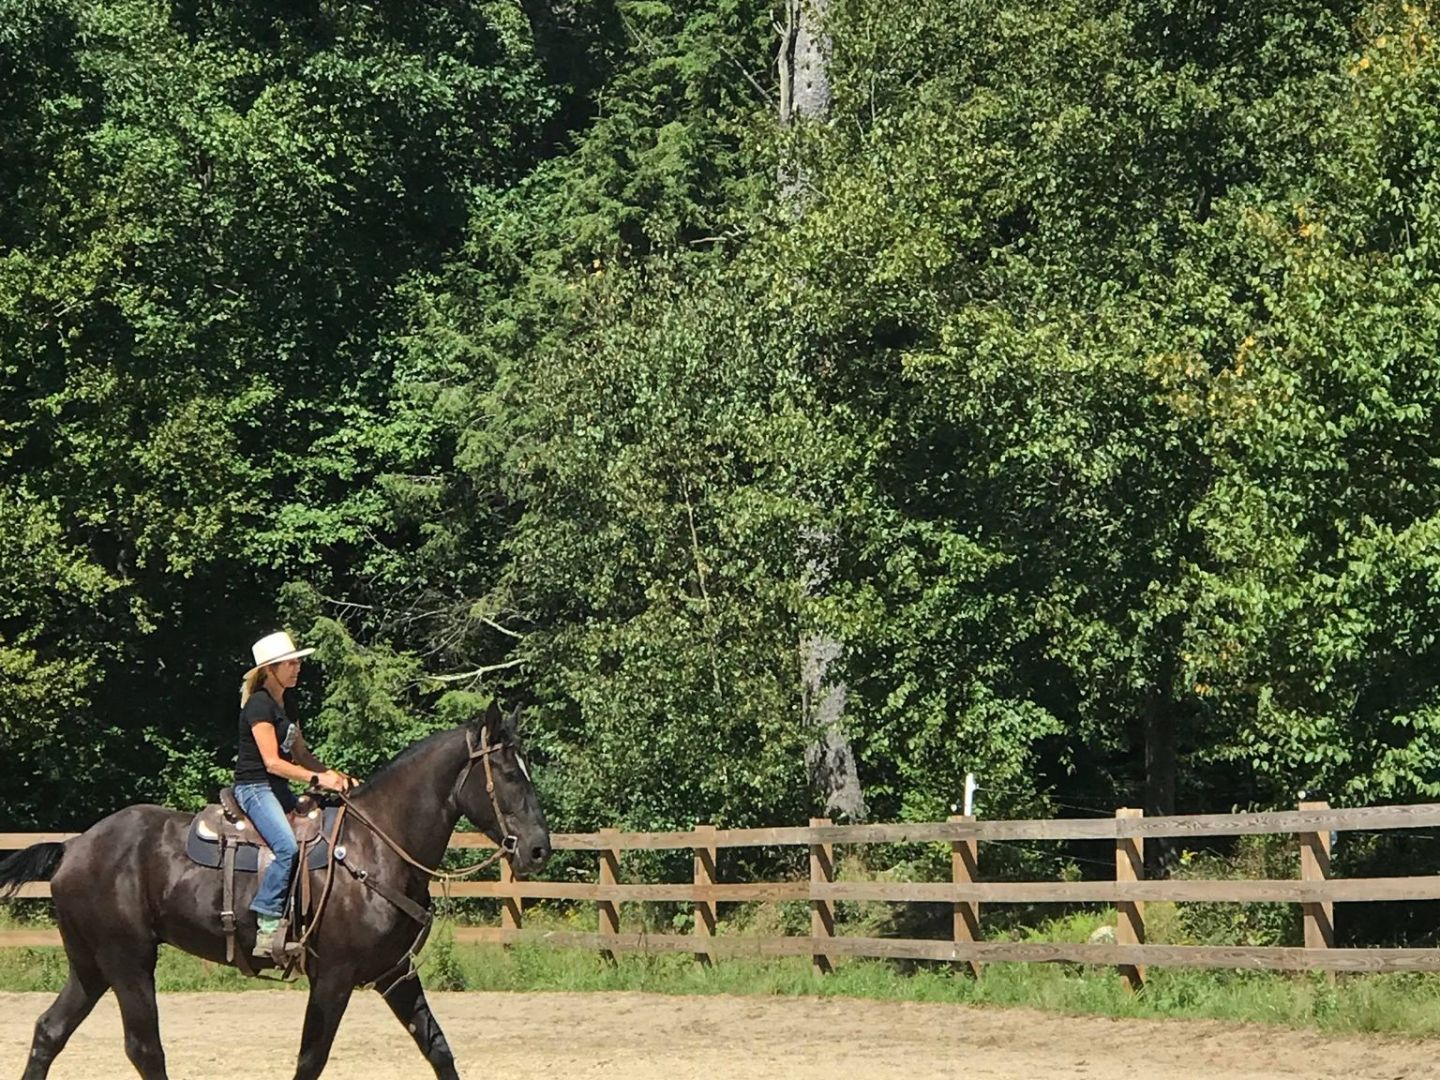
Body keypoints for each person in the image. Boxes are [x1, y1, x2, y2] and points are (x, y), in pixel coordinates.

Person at [235, 631, 352, 957]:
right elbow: (272, 762)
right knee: (286, 847)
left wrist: (335, 776)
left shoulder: (288, 703)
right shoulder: (259, 704)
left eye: (297, 662)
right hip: (254, 788)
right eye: (290, 663)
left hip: (278, 789)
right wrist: (317, 778)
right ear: (270, 669)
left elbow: (300, 753)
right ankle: (267, 926)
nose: (297, 667)